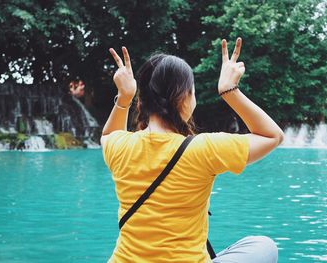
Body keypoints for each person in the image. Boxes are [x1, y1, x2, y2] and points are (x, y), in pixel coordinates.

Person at [100, 37, 284, 263]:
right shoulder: (203, 148)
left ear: (143, 101)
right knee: (263, 246)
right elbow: (272, 135)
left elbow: (108, 135)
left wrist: (124, 98)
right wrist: (230, 91)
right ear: (183, 97)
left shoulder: (120, 147)